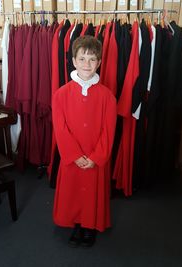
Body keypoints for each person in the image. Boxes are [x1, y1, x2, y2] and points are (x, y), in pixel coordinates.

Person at [52, 35, 117, 248]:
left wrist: (96, 157)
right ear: (73, 60)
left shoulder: (107, 96)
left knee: (92, 193)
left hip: (94, 157)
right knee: (73, 193)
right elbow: (60, 130)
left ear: (99, 62)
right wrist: (74, 155)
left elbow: (108, 131)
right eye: (82, 59)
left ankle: (90, 226)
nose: (87, 64)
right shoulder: (61, 94)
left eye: (92, 59)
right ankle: (77, 224)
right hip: (73, 157)